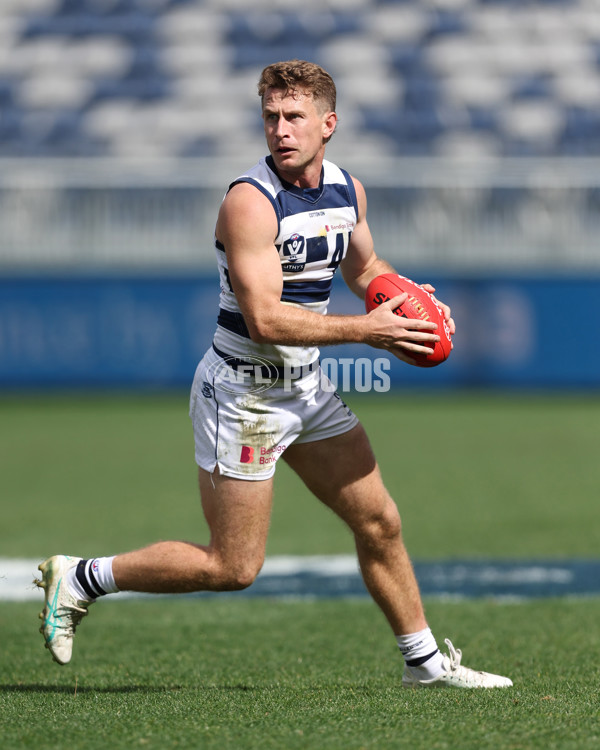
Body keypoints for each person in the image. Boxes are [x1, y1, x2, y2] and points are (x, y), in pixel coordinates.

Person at [36, 60, 512, 689]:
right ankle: (81, 577)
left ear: (328, 123)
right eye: (270, 117)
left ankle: (423, 664)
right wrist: (367, 331)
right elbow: (263, 319)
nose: (280, 129)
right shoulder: (249, 203)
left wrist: (408, 298)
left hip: (306, 389)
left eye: (293, 116)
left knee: (379, 521)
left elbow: (366, 269)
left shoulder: (349, 190)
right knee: (232, 566)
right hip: (245, 395)